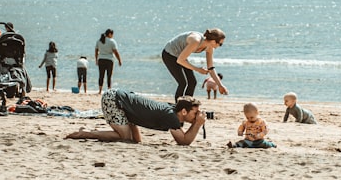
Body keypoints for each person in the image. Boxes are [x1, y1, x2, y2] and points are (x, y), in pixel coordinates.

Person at [66, 88, 206, 145]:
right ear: (183, 111)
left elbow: (137, 117)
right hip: (114, 100)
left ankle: (86, 129)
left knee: (134, 141)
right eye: (194, 113)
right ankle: (85, 133)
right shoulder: (171, 116)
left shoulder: (172, 112)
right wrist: (197, 124)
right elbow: (183, 142)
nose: (196, 116)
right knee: (124, 138)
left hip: (120, 99)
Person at [162, 29, 228, 99]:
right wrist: (198, 69)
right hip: (169, 54)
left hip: (181, 55)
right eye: (220, 44)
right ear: (213, 41)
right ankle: (179, 107)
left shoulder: (210, 48)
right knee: (182, 83)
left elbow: (211, 68)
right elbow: (180, 60)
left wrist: (220, 85)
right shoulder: (196, 41)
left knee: (192, 82)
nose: (220, 46)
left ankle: (188, 105)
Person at [94, 28, 122, 95]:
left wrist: (96, 59)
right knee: (109, 75)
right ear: (109, 34)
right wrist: (119, 60)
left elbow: (96, 51)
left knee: (101, 75)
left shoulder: (99, 41)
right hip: (109, 60)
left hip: (101, 59)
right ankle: (109, 90)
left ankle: (100, 90)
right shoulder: (112, 41)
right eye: (112, 34)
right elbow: (116, 52)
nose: (112, 36)